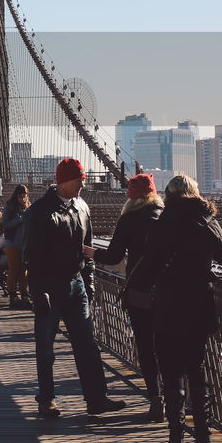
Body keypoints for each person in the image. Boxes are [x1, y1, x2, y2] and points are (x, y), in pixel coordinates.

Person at [23, 158, 125, 418]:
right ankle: (47, 400)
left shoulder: (82, 207)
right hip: (48, 286)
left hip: (76, 283)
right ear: (64, 181)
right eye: (80, 179)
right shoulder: (39, 212)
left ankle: (96, 399)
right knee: (46, 347)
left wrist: (88, 286)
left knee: (87, 344)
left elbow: (87, 250)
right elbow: (31, 256)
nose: (83, 184)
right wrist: (37, 292)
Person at [143, 174, 222, 443]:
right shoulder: (207, 221)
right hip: (198, 304)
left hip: (168, 304)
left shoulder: (161, 223)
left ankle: (175, 438)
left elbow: (150, 264)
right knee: (197, 370)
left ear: (168, 196)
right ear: (195, 193)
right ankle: (203, 439)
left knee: (170, 374)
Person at [85, 173, 164, 421]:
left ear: (131, 196)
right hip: (169, 293)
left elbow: (114, 258)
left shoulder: (129, 218)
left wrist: (91, 253)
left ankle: (156, 402)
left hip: (140, 292)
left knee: (146, 347)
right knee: (169, 347)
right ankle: (178, 404)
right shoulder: (167, 217)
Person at [0, 184, 31, 309]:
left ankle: (24, 294)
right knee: (13, 270)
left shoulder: (29, 207)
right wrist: (20, 219)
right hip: (12, 244)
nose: (23, 199)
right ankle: (12, 295)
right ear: (16, 196)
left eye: (25, 196)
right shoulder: (10, 207)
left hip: (25, 245)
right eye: (20, 196)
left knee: (24, 271)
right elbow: (4, 224)